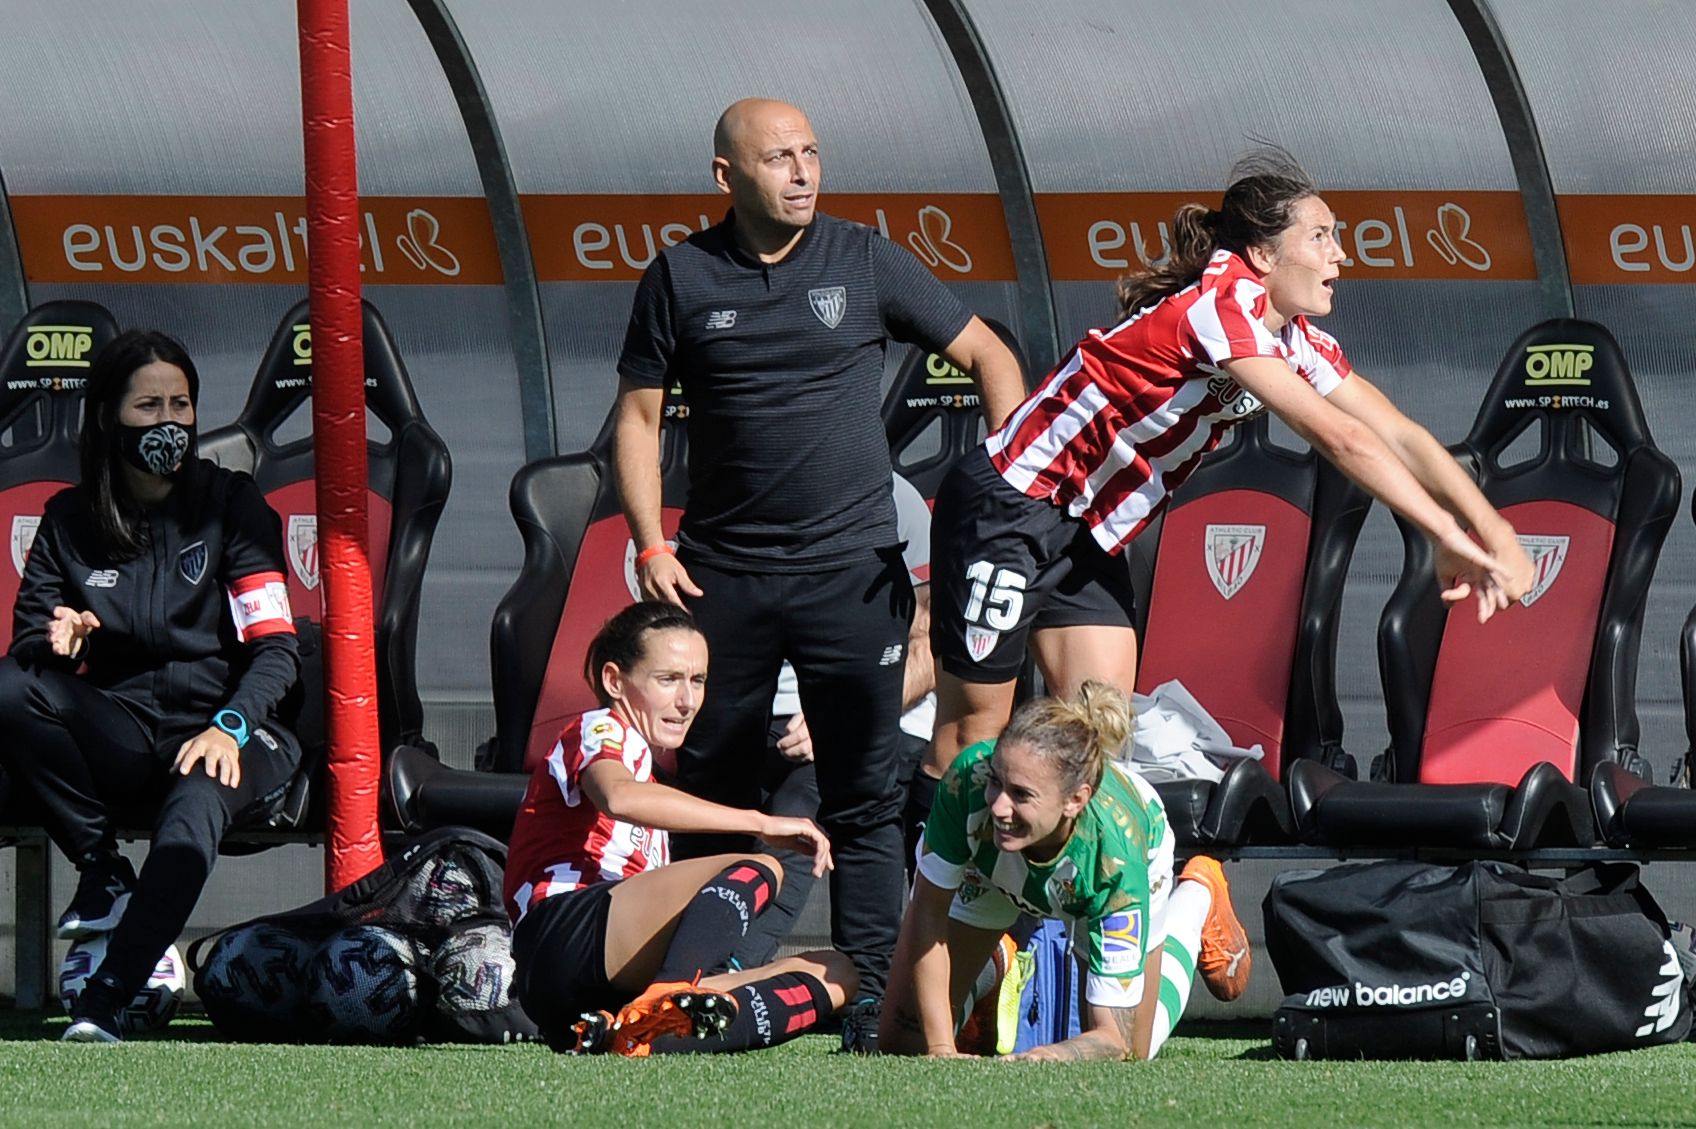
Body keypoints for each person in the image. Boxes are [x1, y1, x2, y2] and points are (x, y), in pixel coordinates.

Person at [921, 147, 1538, 794]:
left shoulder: (1296, 338)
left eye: (1339, 237)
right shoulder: (1219, 304)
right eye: (1321, 236)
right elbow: (1339, 436)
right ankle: (923, 889)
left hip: (1086, 532)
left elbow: (1400, 433)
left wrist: (1493, 530)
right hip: (1012, 503)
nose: (1340, 255)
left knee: (1094, 745)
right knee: (970, 738)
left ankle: (1076, 895)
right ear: (1264, 256)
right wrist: (1443, 531)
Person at [612, 95, 1027, 1030]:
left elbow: (989, 355)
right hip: (723, 575)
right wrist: (651, 539)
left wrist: (1006, 490)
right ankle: (690, 986)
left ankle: (877, 996)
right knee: (710, 791)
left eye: (811, 154)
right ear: (728, 177)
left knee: (865, 793)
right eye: (778, 158)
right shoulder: (678, 277)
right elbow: (638, 420)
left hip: (853, 574)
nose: (802, 173)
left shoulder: (864, 256)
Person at [0, 329, 303, 1043]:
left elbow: (278, 650)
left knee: (197, 793)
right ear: (109, 416)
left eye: (182, 404)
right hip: (127, 727)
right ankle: (102, 870)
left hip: (235, 725)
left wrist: (228, 727)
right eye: (149, 405)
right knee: (11, 688)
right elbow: (23, 651)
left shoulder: (231, 504)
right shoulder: (69, 520)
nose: (170, 422)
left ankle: (106, 998)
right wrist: (60, 635)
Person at [504, 600, 859, 1056]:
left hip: (605, 985)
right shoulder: (599, 728)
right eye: (668, 680)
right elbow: (619, 797)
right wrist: (759, 823)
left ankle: (634, 1036)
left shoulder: (648, 769)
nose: (687, 701)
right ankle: (669, 999)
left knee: (836, 972)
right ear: (614, 680)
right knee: (760, 868)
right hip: (559, 938)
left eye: (698, 681)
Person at [880, 681, 1245, 1060]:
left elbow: (1111, 1039)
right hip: (990, 872)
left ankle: (1197, 894)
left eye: (1020, 794)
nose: (999, 806)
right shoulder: (964, 782)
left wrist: (1052, 1056)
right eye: (995, 781)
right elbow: (928, 910)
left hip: (1110, 875)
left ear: (1075, 800)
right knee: (903, 1042)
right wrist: (941, 1049)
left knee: (1133, 1052)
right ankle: (995, 969)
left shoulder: (1116, 860)